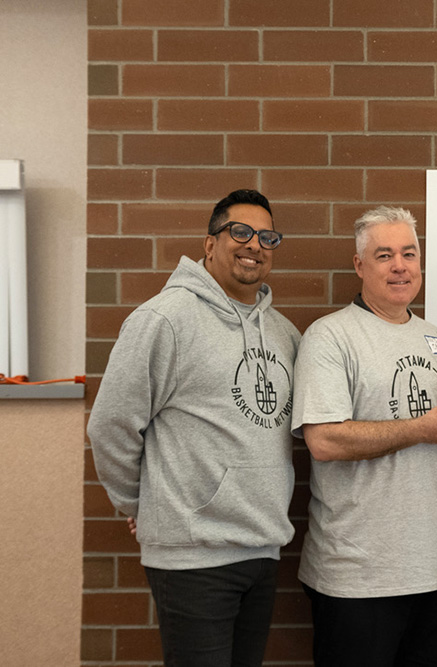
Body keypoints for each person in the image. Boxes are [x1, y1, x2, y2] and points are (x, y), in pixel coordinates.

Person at [88, 189, 301, 666]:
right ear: (209, 244)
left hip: (262, 548)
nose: (254, 245)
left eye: (267, 236)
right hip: (192, 557)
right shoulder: (164, 319)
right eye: (239, 232)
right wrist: (138, 502)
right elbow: (110, 424)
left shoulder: (285, 334)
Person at [291, 206, 437, 667]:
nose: (399, 265)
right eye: (384, 255)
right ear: (360, 266)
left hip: (436, 572)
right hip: (355, 578)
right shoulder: (330, 337)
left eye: (409, 253)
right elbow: (323, 440)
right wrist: (423, 428)